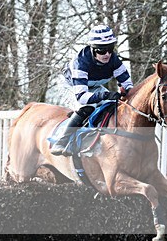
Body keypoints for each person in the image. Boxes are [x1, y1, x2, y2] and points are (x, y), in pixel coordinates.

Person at [50, 24, 134, 156]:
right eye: (101, 50)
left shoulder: (114, 60)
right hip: (70, 85)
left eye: (110, 49)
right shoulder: (81, 62)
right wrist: (105, 94)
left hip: (92, 86)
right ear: (93, 49)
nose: (107, 54)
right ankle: (61, 141)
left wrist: (126, 91)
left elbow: (128, 85)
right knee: (87, 107)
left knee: (112, 105)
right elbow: (82, 96)